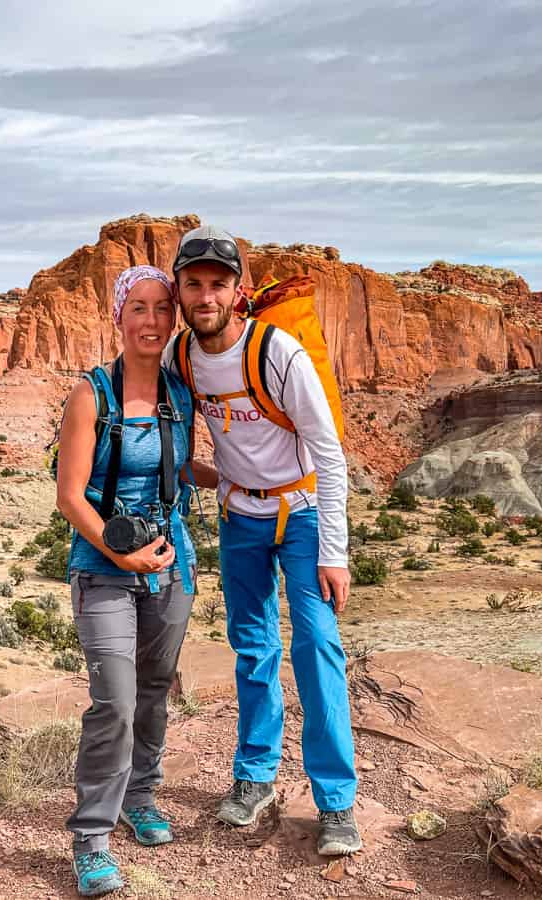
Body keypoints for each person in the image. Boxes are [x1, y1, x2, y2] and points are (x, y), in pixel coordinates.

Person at [163, 225, 361, 856]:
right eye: (193, 284)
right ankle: (254, 777)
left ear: (238, 291)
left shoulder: (277, 354)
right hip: (239, 518)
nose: (205, 296)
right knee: (252, 646)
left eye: (218, 284)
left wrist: (335, 551)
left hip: (301, 514)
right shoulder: (180, 357)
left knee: (317, 647)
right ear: (180, 291)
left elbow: (329, 455)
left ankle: (335, 802)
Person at [55, 265, 205, 897]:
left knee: (152, 691)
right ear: (119, 316)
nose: (150, 320)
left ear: (174, 319)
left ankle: (139, 797)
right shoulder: (92, 396)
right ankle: (91, 838)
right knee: (113, 700)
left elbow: (182, 468)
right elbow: (69, 497)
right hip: (103, 569)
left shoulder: (180, 394)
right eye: (137, 307)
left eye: (161, 308)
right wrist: (120, 558)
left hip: (173, 566)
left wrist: (260, 471)